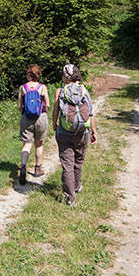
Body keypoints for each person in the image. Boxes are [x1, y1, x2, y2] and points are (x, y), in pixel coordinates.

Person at [52, 63, 97, 206]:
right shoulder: (84, 90)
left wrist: (54, 124)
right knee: (78, 161)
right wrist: (93, 132)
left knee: (67, 165)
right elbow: (90, 113)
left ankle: (70, 198)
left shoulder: (60, 91)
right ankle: (77, 186)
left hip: (64, 132)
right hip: (82, 132)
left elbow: (55, 111)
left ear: (66, 76)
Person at [17, 64, 50, 185]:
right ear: (38, 75)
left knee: (27, 144)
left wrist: (24, 113)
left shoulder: (22, 88)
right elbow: (47, 104)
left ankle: (23, 167)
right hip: (40, 117)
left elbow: (19, 106)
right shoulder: (42, 87)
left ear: (28, 74)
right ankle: (37, 168)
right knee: (39, 144)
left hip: (26, 118)